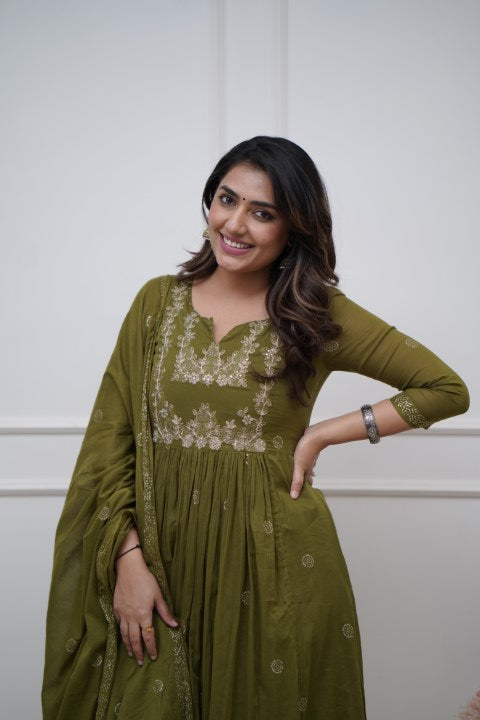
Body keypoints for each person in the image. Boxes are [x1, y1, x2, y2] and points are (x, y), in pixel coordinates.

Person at [42, 136, 469, 720]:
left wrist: (322, 434)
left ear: (293, 228)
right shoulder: (156, 304)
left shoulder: (315, 314)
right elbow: (109, 443)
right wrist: (127, 558)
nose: (235, 224)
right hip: (158, 560)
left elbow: (446, 389)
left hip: (269, 568)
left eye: (262, 213)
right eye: (227, 199)